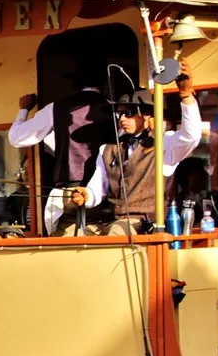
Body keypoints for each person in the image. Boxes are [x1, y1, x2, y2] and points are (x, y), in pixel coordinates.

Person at [82, 58, 201, 236]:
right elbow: (97, 188)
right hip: (110, 219)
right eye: (119, 113)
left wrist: (186, 95)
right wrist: (86, 195)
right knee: (81, 236)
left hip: (145, 222)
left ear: (147, 116)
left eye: (128, 113)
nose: (122, 119)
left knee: (115, 233)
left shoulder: (164, 142)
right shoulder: (107, 150)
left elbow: (191, 136)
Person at [8, 61, 117, 236]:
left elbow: (17, 138)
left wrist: (23, 110)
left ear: (75, 85)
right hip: (111, 191)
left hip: (71, 189)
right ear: (102, 85)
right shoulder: (115, 110)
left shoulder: (56, 109)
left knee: (67, 236)